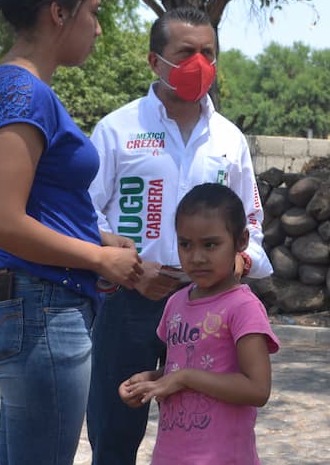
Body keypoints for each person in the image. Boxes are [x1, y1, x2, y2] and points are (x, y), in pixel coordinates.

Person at [0, 0, 143, 464]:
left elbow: (34, 205)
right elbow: (1, 222)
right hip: (44, 308)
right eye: (93, 13)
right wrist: (98, 258)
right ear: (58, 13)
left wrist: (97, 236)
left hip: (34, 304)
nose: (97, 27)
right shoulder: (26, 95)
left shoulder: (18, 89)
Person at [86, 7, 273, 464]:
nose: (199, 62)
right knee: (114, 433)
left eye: (208, 52)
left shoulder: (229, 139)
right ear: (155, 61)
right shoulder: (117, 130)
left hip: (211, 311)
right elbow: (81, 217)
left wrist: (238, 264)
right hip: (129, 303)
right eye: (185, 52)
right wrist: (131, 271)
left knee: (203, 429)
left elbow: (251, 227)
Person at [119, 183, 280, 464]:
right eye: (185, 244)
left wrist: (184, 378)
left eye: (210, 244)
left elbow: (257, 389)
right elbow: (178, 368)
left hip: (221, 456)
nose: (197, 257)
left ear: (241, 241)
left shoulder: (243, 307)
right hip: (171, 454)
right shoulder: (176, 303)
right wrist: (151, 381)